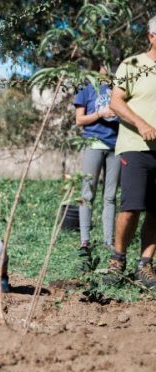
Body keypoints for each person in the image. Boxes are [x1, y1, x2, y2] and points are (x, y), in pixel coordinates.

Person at [104, 16, 156, 288]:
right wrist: (142, 123)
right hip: (135, 147)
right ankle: (117, 259)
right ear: (151, 37)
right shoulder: (133, 64)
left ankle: (145, 265)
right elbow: (115, 101)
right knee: (131, 207)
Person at [73, 62, 120, 258]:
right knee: (87, 194)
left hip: (116, 146)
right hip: (93, 144)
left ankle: (109, 241)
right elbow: (79, 120)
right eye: (104, 65)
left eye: (111, 65)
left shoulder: (119, 89)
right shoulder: (86, 89)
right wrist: (100, 113)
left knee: (110, 196)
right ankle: (85, 240)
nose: (107, 69)